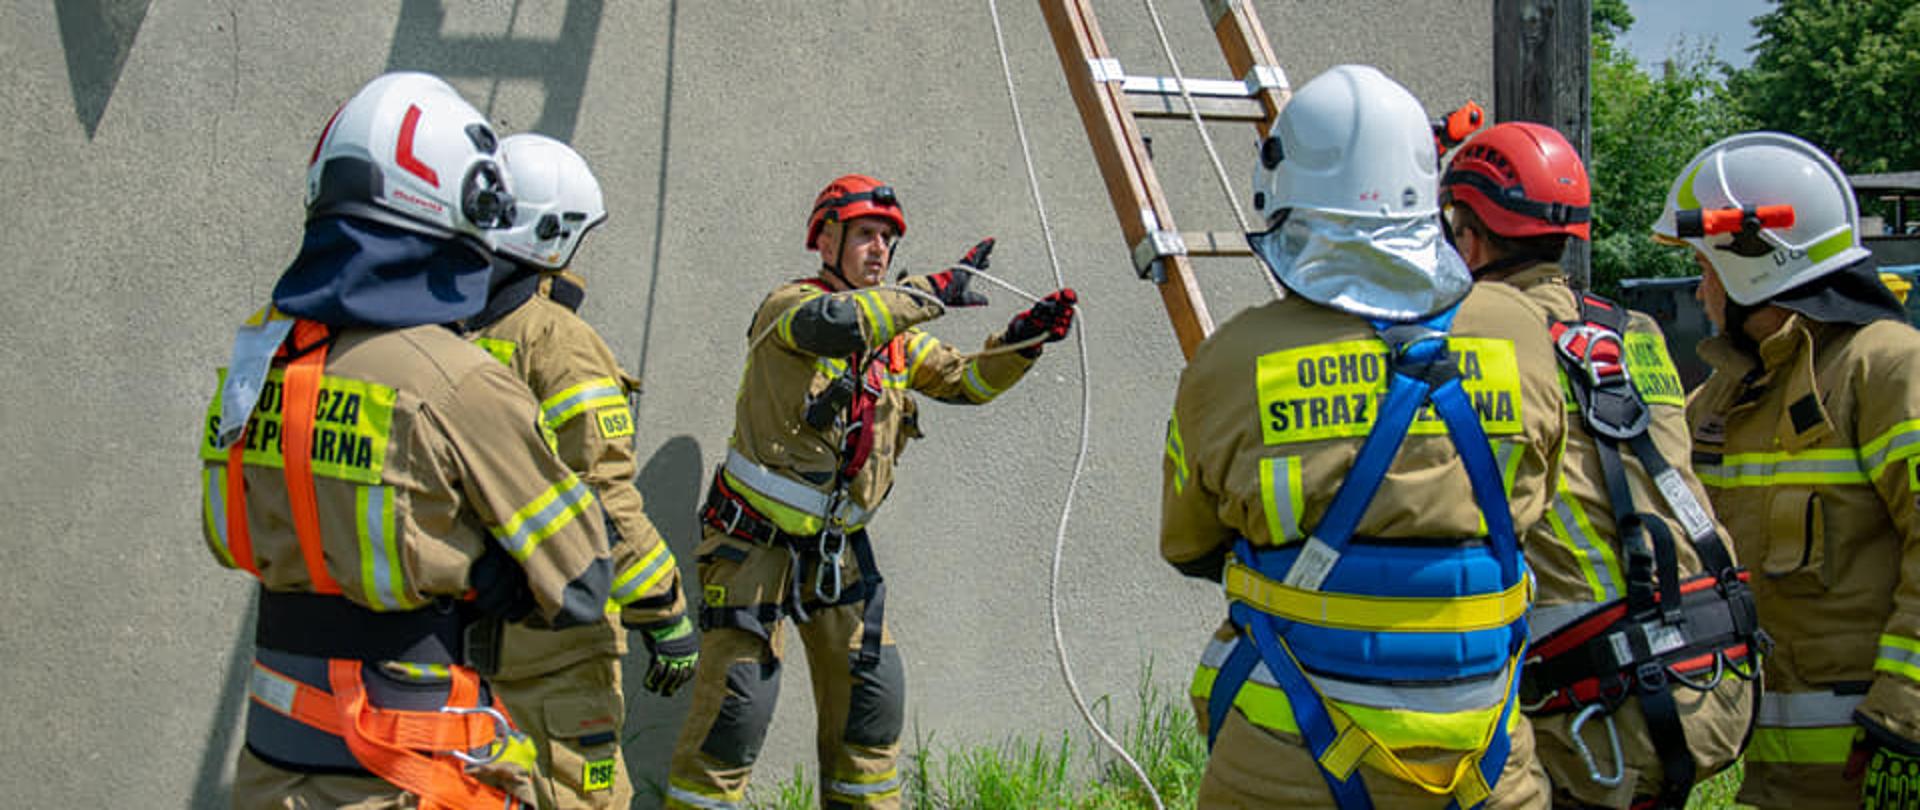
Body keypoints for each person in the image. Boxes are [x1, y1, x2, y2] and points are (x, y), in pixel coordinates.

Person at [199, 72, 611, 809]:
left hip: (269, 773)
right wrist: (486, 573)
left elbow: (236, 530)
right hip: (409, 775)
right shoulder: (456, 381)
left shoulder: (259, 360)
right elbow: (581, 583)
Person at [1163, 64, 1565, 808]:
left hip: (1285, 770)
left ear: (1283, 199)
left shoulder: (1229, 361)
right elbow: (1535, 509)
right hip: (1487, 767)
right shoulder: (1521, 333)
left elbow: (1188, 546)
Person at [663, 173, 1078, 809]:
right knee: (736, 714)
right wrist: (929, 290)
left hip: (838, 552)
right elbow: (841, 324)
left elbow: (964, 382)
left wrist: (1025, 341)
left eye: (887, 237)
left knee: (873, 701)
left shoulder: (897, 333)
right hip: (753, 546)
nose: (879, 248)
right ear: (825, 239)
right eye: (865, 234)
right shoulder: (792, 309)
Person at [1440, 121, 1760, 809]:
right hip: (1716, 668)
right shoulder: (1632, 330)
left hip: (1603, 699)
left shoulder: (1477, 332)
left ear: (1468, 236)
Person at [1661, 131, 1920, 810]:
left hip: (1882, 763)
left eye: (1707, 265)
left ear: (1757, 263)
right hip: (1776, 784)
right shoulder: (1722, 397)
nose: (1700, 287)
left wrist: (1906, 720)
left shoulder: (1887, 369)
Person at [464, 133, 697, 809]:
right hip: (554, 655)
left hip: (451, 648)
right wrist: (665, 610)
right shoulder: (557, 342)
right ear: (556, 232)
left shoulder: (440, 326)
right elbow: (603, 497)